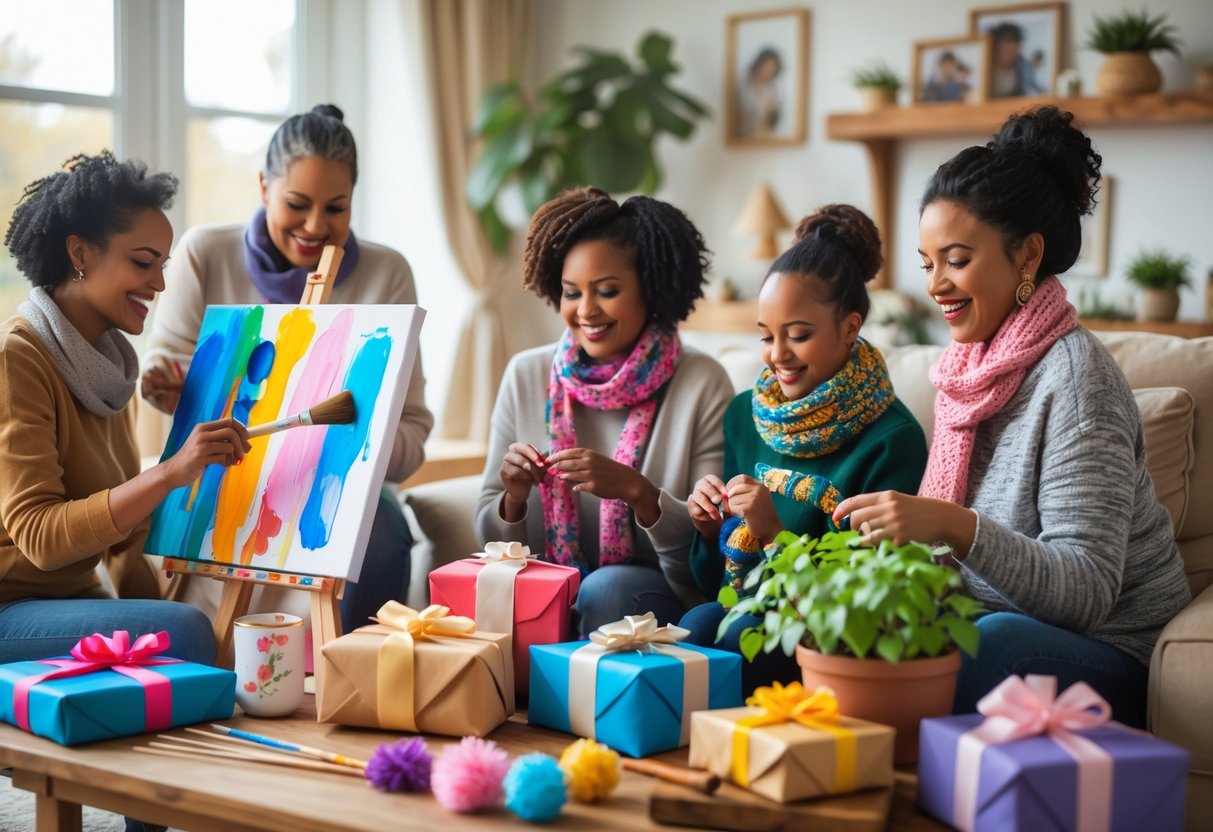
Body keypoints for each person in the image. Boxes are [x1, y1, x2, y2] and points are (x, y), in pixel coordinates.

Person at [832, 106, 1191, 728]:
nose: (936, 284)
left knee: (986, 644)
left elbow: (1086, 591)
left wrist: (953, 526)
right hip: (991, 621)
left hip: (1110, 651)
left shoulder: (1076, 384)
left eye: (957, 259)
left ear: (1027, 256)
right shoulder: (965, 369)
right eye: (926, 263)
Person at [1, 153, 246, 832]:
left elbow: (122, 535)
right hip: (10, 608)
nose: (161, 283)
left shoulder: (106, 364)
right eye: (143, 262)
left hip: (66, 600)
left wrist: (174, 592)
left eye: (163, 264)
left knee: (187, 630)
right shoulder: (19, 357)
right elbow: (43, 539)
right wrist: (169, 473)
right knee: (186, 635)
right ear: (80, 253)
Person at [142, 104, 433, 633]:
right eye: (297, 204)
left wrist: (369, 442)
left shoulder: (388, 274)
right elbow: (168, 368)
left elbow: (413, 435)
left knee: (385, 529)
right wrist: (173, 387)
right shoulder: (205, 253)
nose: (316, 226)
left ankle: (359, 678)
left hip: (336, 489)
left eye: (336, 208)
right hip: (223, 476)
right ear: (262, 187)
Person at [679, 205, 928, 693]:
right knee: (698, 623)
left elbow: (862, 604)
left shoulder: (893, 441)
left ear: (851, 327)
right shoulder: (745, 415)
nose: (777, 356)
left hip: (821, 639)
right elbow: (719, 584)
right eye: (767, 337)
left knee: (729, 634)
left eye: (798, 335)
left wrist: (773, 534)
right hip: (742, 609)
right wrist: (709, 529)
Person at [475, 186, 732, 635]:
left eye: (608, 291)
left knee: (606, 589)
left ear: (651, 289)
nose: (586, 310)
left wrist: (637, 492)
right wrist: (513, 499)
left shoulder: (702, 382)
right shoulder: (525, 373)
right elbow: (488, 543)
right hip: (544, 585)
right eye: (572, 293)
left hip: (653, 594)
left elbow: (710, 549)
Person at [988, 22, 1045, 97]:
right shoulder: (984, 67)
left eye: (1016, 45)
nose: (1012, 48)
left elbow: (1034, 90)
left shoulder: (1024, 68)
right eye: (1007, 42)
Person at [737, 48, 783, 138]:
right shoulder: (744, 85)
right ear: (760, 64)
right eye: (768, 67)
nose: (769, 72)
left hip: (762, 136)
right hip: (743, 135)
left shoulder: (772, 90)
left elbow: (770, 122)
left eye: (773, 69)